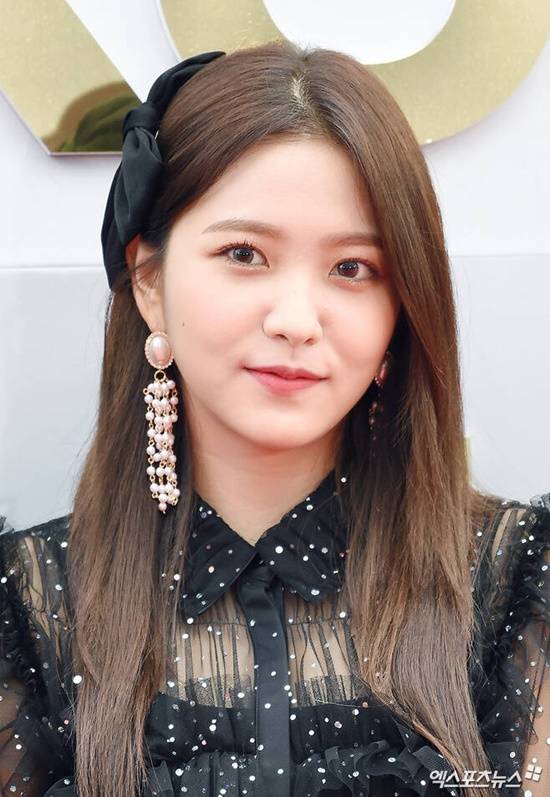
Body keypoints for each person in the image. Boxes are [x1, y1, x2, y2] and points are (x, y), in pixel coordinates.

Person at [0, 40, 548, 797]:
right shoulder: (26, 607)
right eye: (244, 253)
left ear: (400, 309)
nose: (295, 319)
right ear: (149, 280)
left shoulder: (517, 580)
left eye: (352, 268)